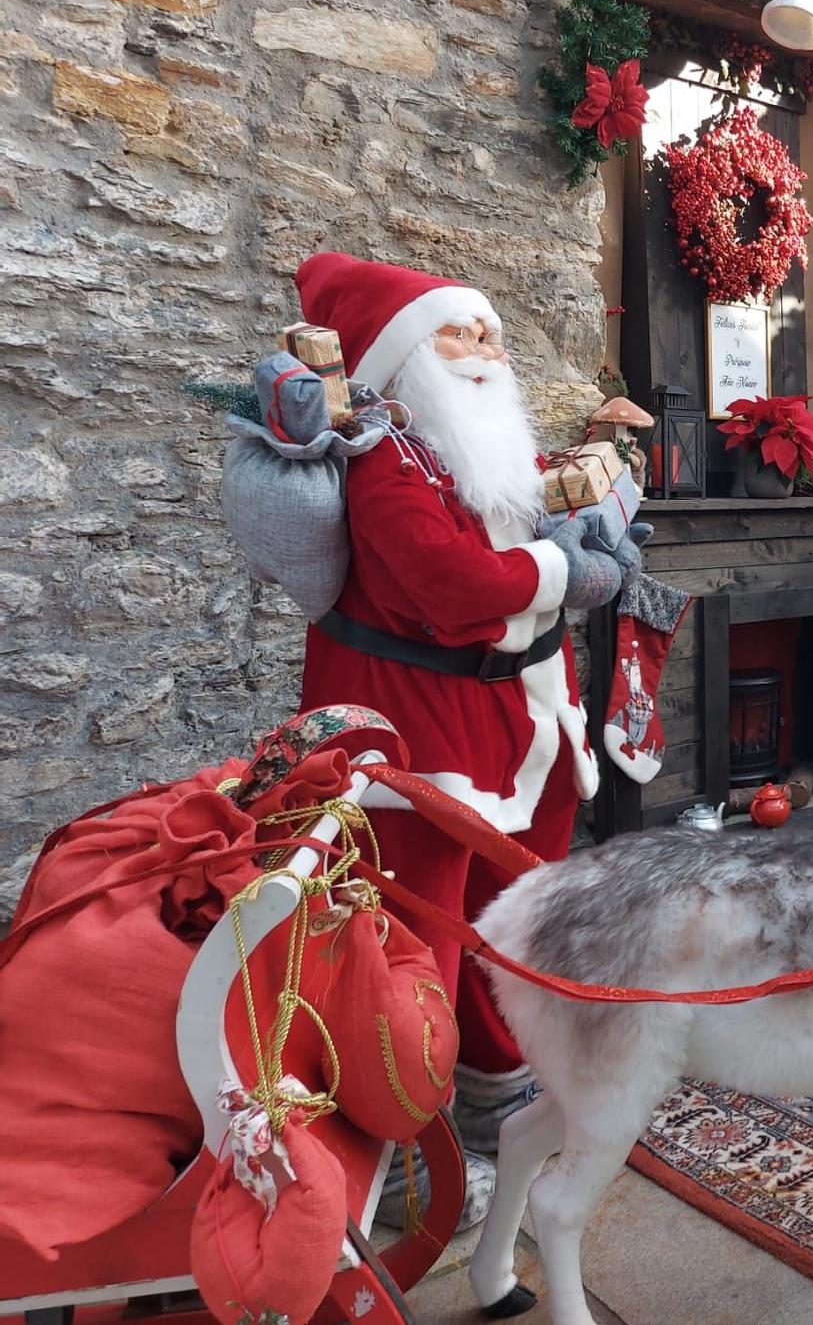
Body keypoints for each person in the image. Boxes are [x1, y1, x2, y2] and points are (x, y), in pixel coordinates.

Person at [289, 252, 636, 1216]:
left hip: (521, 740)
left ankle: (496, 1106)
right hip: (422, 749)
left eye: (489, 333)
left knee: (509, 925)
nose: (485, 350)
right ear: (405, 360)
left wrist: (598, 529)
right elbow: (451, 585)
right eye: (460, 334)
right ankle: (404, 1150)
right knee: (415, 944)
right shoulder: (388, 461)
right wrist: (564, 574)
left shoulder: (490, 448)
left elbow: (546, 528)